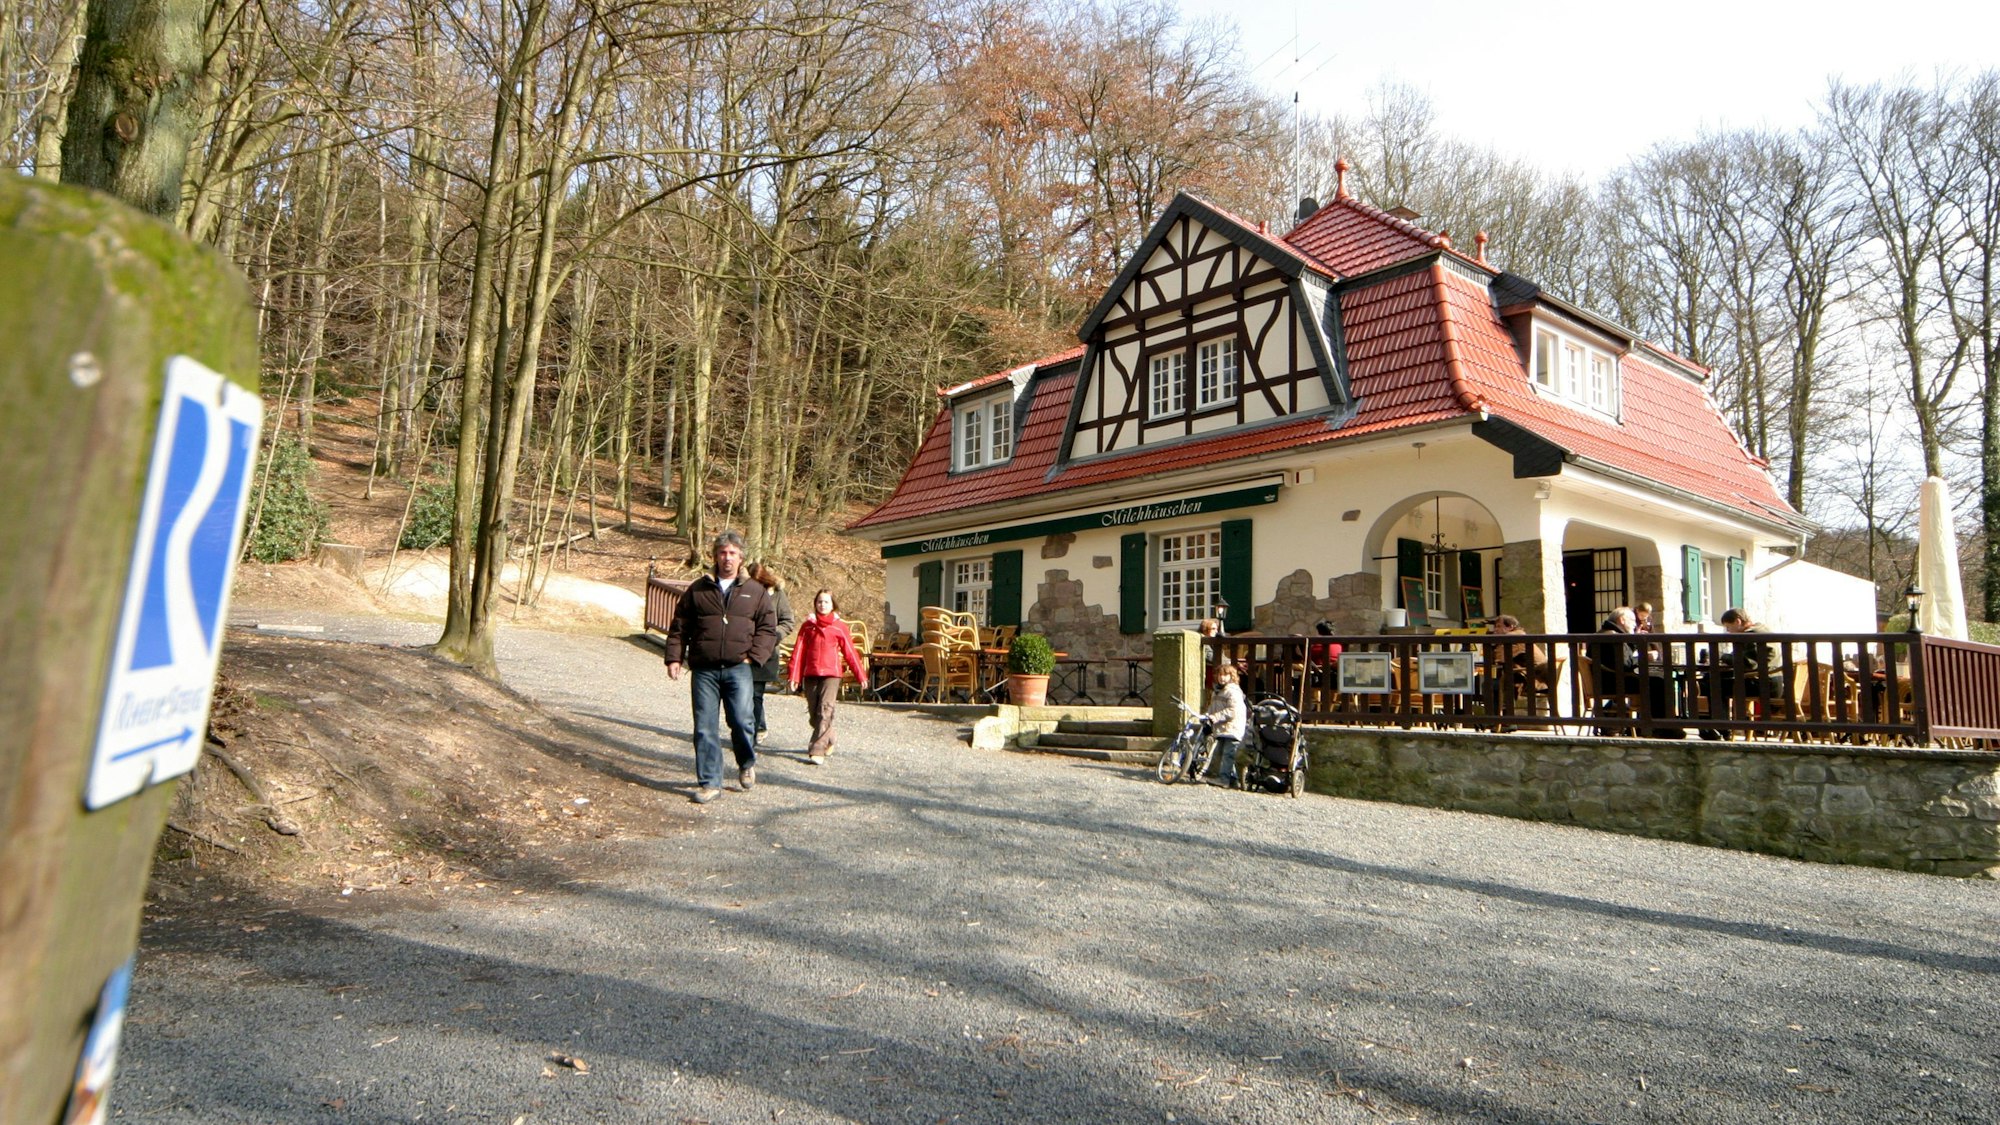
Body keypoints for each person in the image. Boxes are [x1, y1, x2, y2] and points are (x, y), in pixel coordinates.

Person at [664, 530, 779, 803]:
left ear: (741, 558)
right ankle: (709, 782)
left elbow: (768, 628)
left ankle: (746, 762)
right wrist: (674, 658)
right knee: (704, 727)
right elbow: (680, 626)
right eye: (723, 553)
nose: (727, 558)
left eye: (733, 554)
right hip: (704, 669)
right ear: (715, 556)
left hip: (739, 668)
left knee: (741, 720)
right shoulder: (698, 589)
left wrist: (754, 656)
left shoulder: (755, 591)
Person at [788, 589, 868, 765]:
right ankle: (829, 737)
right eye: (819, 602)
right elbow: (799, 652)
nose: (822, 605)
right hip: (811, 673)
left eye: (826, 602)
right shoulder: (807, 626)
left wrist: (861, 675)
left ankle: (817, 750)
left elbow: (850, 653)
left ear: (833, 605)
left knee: (825, 710)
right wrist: (794, 675)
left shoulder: (839, 627)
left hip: (831, 674)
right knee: (814, 714)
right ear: (815, 604)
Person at [746, 561, 796, 742]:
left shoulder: (777, 595)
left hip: (766, 653)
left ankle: (758, 729)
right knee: (740, 693)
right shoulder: (743, 594)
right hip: (743, 651)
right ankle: (745, 727)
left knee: (755, 694)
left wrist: (773, 636)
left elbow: (788, 621)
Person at [1202, 661, 1247, 788]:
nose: (1222, 677)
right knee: (1220, 754)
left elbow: (1233, 711)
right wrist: (1207, 716)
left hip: (1232, 728)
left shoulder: (1233, 692)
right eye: (1220, 675)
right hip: (1222, 729)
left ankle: (1224, 779)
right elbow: (1213, 708)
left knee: (1228, 755)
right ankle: (1233, 780)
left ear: (1231, 677)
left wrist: (1215, 717)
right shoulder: (1217, 692)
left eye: (1225, 675)